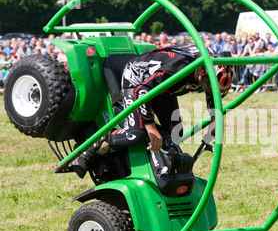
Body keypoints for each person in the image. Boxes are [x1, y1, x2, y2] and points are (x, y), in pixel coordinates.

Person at [71, 44, 234, 178]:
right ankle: (88, 150)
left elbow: (213, 91)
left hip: (164, 88)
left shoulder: (214, 64)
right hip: (138, 81)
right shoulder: (178, 68)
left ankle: (168, 170)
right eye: (205, 84)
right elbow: (142, 91)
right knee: (137, 133)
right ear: (201, 71)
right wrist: (150, 127)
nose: (206, 88)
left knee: (175, 133)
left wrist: (214, 121)